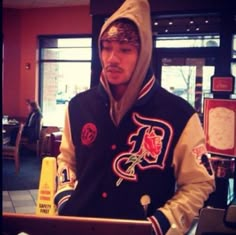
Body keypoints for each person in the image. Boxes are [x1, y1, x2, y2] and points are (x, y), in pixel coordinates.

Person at [54, 0, 215, 234]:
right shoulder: (78, 106)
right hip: (79, 226)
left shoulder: (179, 115)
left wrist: (161, 223)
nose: (112, 58)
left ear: (144, 53)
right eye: (106, 47)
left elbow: (199, 182)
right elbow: (67, 158)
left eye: (125, 49)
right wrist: (65, 198)